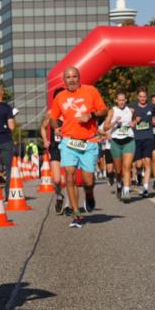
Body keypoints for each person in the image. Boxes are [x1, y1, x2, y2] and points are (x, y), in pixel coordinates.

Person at [49, 67, 107, 228]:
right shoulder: (60, 97)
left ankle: (89, 194)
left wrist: (92, 115)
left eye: (74, 76)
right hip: (68, 141)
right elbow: (52, 118)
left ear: (79, 78)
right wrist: (55, 127)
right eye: (68, 77)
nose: (72, 79)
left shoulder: (90, 91)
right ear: (64, 80)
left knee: (88, 180)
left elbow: (104, 110)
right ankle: (76, 213)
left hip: (89, 141)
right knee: (69, 174)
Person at [103, 91, 135, 202]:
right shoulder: (112, 111)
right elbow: (105, 127)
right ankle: (119, 184)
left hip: (129, 140)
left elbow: (137, 119)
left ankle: (126, 192)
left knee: (127, 167)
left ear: (126, 100)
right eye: (119, 100)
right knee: (119, 170)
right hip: (116, 142)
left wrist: (134, 123)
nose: (121, 102)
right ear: (116, 101)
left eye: (123, 100)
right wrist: (115, 123)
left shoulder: (130, 110)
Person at [40, 88, 68, 214]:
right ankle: (59, 196)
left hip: (69, 146)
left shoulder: (70, 112)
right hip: (55, 147)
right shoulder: (50, 113)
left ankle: (69, 205)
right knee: (57, 179)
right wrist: (45, 139)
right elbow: (42, 127)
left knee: (69, 176)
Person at [131, 88, 155, 197]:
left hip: (148, 137)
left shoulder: (151, 106)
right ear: (137, 97)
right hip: (137, 138)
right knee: (139, 164)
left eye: (144, 96)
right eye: (140, 96)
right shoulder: (133, 108)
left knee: (148, 162)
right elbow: (129, 122)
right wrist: (135, 121)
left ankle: (145, 188)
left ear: (147, 97)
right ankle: (138, 174)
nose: (142, 98)